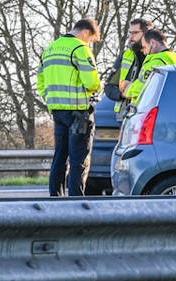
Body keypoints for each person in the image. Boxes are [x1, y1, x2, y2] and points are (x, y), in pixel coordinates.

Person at [37, 17, 103, 197]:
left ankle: (56, 198)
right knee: (78, 160)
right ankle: (76, 203)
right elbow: (91, 82)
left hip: (58, 112)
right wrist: (99, 87)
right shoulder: (80, 49)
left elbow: (41, 83)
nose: (90, 44)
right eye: (91, 40)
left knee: (59, 158)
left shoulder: (50, 49)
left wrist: (51, 98)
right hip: (78, 113)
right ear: (87, 33)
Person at [123, 27, 176, 106]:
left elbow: (141, 88)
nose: (144, 52)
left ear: (153, 43)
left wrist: (127, 88)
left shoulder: (157, 62)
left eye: (144, 47)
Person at [114, 18, 152, 102]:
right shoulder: (125, 55)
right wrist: (123, 94)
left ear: (147, 33)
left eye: (135, 33)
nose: (131, 37)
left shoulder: (157, 58)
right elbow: (110, 87)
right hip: (124, 111)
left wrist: (129, 88)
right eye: (130, 33)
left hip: (146, 109)